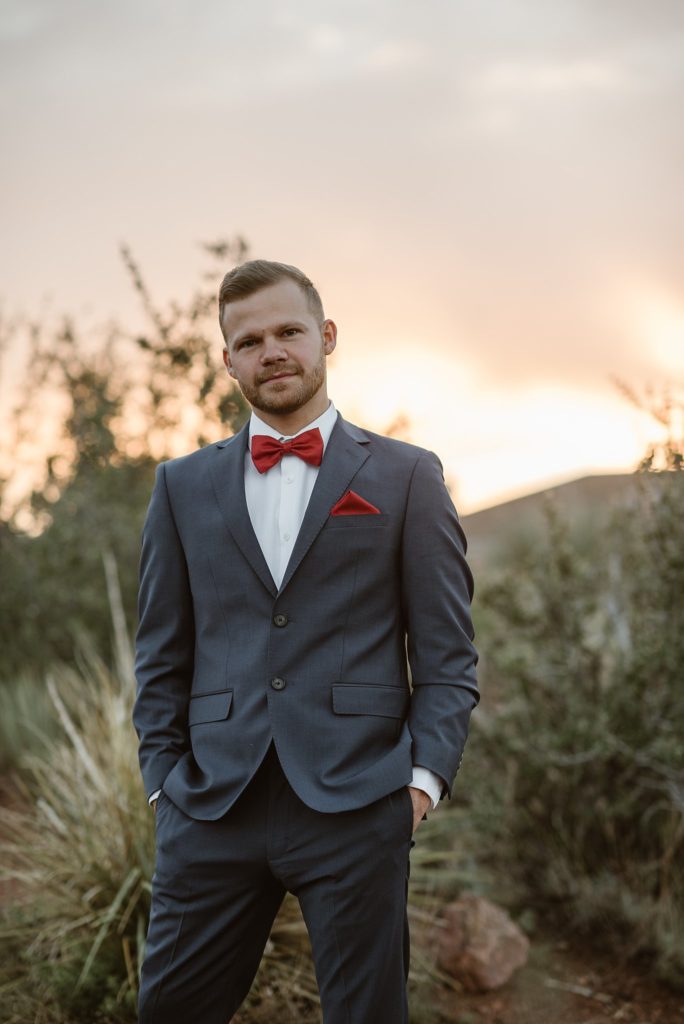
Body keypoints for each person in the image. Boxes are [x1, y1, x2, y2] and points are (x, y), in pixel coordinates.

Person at [133, 259, 479, 1024]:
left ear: (326, 337)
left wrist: (418, 787)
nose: (272, 351)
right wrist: (165, 785)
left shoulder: (407, 476)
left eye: (289, 331)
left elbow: (449, 658)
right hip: (212, 807)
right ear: (228, 361)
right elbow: (161, 654)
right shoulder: (180, 486)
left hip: (359, 804)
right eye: (249, 340)